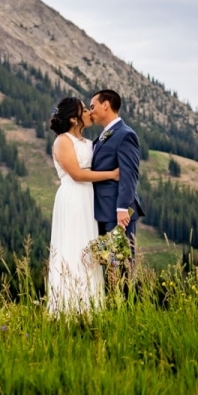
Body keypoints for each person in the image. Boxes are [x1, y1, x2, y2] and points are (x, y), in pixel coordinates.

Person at [47, 97, 120, 315]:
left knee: (89, 249)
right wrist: (113, 175)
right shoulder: (63, 141)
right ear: (73, 118)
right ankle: (68, 309)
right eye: (84, 109)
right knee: (73, 246)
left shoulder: (90, 143)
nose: (89, 112)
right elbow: (77, 174)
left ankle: (90, 308)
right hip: (73, 197)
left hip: (90, 199)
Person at [89, 89, 145, 263]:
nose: (90, 112)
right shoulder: (103, 136)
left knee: (121, 267)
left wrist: (122, 208)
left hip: (117, 213)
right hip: (103, 211)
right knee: (110, 267)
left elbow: (129, 174)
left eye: (93, 106)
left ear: (106, 105)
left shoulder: (125, 134)